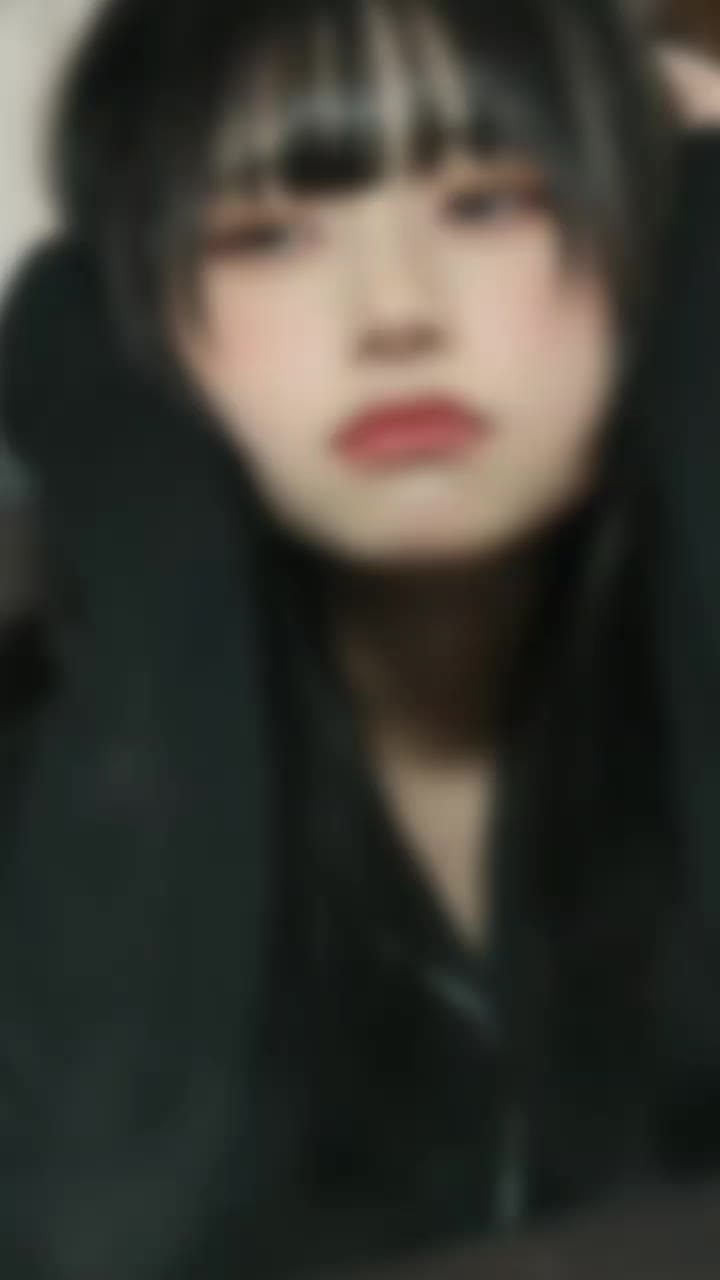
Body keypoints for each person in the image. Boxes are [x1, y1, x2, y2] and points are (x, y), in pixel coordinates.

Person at [0, 1, 719, 1276]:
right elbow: (95, 1225)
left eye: (489, 203)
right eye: (267, 234)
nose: (395, 312)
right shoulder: (52, 747)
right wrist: (146, 509)